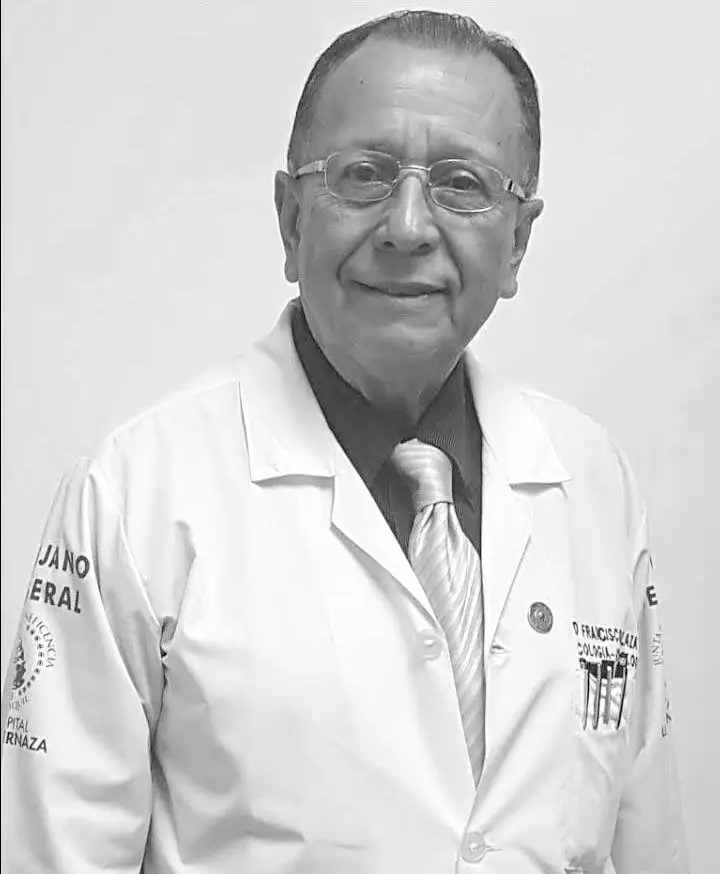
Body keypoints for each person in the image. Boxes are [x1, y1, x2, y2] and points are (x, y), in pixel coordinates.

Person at [1, 9, 688, 873]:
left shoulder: (593, 484)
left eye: (463, 184)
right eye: (363, 175)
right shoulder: (134, 497)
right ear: (291, 221)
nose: (408, 226)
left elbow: (650, 843)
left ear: (517, 241)